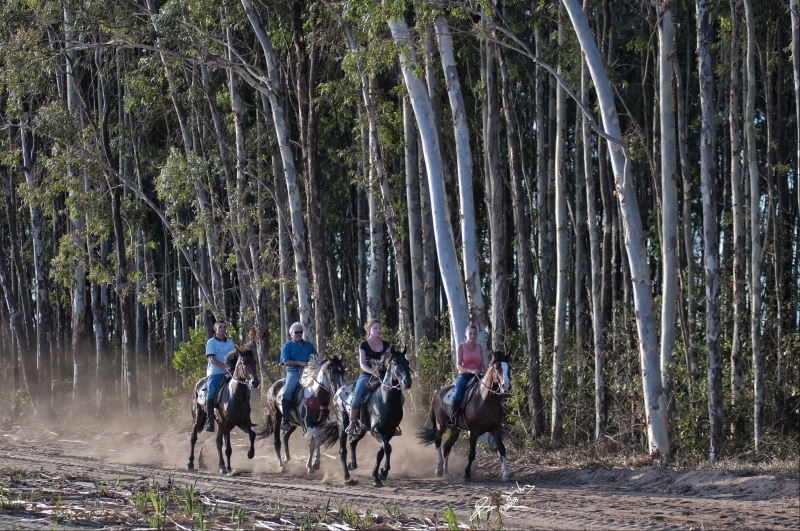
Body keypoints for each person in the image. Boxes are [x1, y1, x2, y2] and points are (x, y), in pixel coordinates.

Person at [345, 319, 391, 435]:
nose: (378, 330)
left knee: (399, 397)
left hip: (383, 375)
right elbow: (362, 364)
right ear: (369, 329)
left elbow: (389, 360)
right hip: (367, 375)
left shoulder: (386, 344)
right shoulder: (363, 345)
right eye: (375, 328)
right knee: (356, 398)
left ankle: (393, 423)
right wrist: (373, 372)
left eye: (380, 328)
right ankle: (352, 422)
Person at [279, 322, 318, 431]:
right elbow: (285, 361)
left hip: (309, 372)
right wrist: (300, 363)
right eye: (297, 332)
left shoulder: (308, 345)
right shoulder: (287, 346)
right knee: (288, 392)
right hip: (294, 373)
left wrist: (313, 361)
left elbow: (315, 357)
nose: (299, 334)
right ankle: (285, 420)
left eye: (301, 332)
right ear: (291, 333)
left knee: (322, 386)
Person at [447, 325, 486, 430]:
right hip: (464, 376)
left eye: (474, 334)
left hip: (478, 376)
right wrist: (471, 370)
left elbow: (481, 364)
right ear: (466, 334)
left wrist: (484, 372)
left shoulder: (479, 348)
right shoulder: (461, 347)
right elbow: (458, 365)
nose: (472, 336)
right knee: (458, 395)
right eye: (470, 333)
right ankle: (453, 420)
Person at [205, 320, 236, 432]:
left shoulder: (230, 343)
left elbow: (233, 358)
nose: (223, 329)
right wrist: (225, 368)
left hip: (229, 373)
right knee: (211, 393)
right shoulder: (211, 343)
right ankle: (210, 422)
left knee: (243, 388)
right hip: (215, 373)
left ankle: (245, 417)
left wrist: (232, 369)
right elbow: (212, 359)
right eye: (220, 327)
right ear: (215, 329)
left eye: (224, 327)